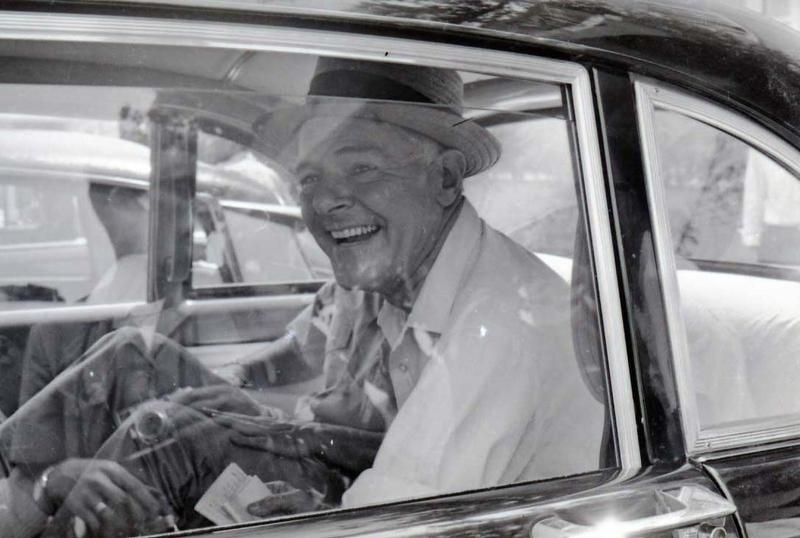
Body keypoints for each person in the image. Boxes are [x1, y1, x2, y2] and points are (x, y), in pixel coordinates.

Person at [0, 57, 603, 537]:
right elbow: (302, 353)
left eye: (362, 168)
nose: (326, 201)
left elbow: (392, 518)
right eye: (310, 178)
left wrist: (308, 496)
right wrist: (241, 388)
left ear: (445, 178)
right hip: (350, 463)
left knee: (162, 435)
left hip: (376, 489)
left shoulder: (495, 325)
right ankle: (24, 492)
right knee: (132, 352)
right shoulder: (382, 270)